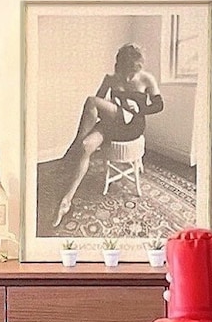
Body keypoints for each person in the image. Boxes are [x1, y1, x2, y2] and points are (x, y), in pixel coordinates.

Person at [51, 42, 164, 228]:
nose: (127, 76)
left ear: (138, 66)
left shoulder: (146, 79)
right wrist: (106, 114)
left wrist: (140, 108)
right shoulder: (110, 79)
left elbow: (159, 105)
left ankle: (72, 150)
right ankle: (66, 201)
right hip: (113, 122)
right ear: (119, 65)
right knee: (86, 146)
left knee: (90, 101)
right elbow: (96, 107)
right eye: (125, 71)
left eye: (132, 71)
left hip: (132, 125)